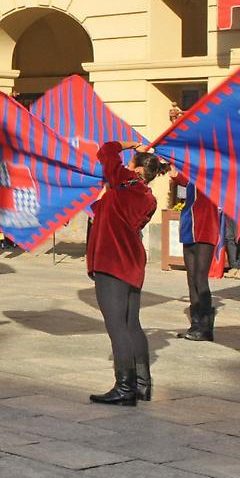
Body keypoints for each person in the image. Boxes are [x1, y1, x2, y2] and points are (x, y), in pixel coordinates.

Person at [86, 141, 164, 407]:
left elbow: (107, 149)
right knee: (132, 323)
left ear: (137, 168)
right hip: (132, 260)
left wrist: (128, 144)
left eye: (131, 161)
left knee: (116, 324)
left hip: (111, 259)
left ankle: (125, 387)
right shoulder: (149, 198)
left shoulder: (123, 180)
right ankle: (143, 385)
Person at [171, 167, 220, 342]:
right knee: (191, 279)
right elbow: (179, 178)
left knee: (200, 278)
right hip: (189, 228)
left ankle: (205, 327)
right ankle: (195, 324)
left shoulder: (212, 173)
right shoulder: (191, 174)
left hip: (205, 228)